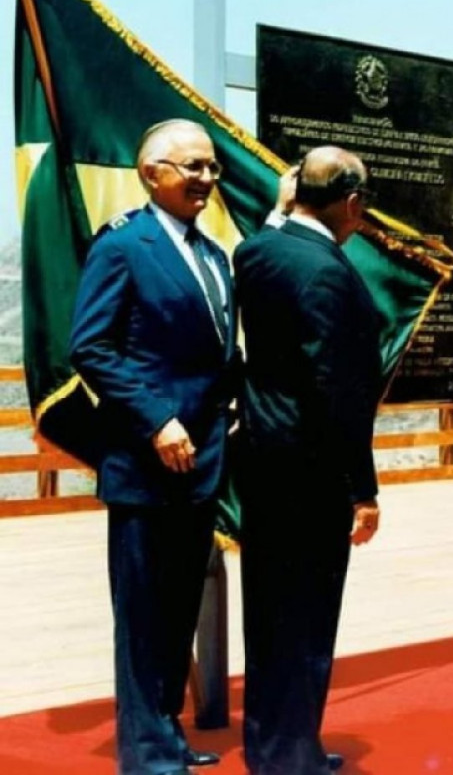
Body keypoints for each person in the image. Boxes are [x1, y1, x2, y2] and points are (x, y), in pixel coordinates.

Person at [69, 119, 236, 774]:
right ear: (150, 173)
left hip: (203, 463)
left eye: (212, 167)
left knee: (174, 614)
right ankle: (144, 754)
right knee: (142, 617)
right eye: (191, 166)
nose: (205, 179)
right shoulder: (122, 247)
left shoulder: (214, 256)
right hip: (147, 462)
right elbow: (92, 347)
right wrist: (157, 420)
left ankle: (166, 736)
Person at [235, 146, 383, 775]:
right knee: (306, 620)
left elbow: (264, 241)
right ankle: (291, 757)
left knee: (268, 613)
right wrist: (362, 487)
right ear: (351, 203)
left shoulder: (256, 251)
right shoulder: (326, 271)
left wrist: (279, 210)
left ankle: (269, 745)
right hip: (312, 472)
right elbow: (334, 391)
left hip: (263, 462)